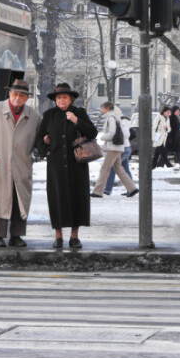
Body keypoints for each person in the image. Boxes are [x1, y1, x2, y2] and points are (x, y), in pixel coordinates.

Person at [0, 79, 40, 248]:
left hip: (22, 165)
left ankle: (16, 236)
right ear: (10, 94)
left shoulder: (33, 116)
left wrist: (40, 148)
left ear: (27, 98)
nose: (18, 98)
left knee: (20, 201)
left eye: (22, 95)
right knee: (1, 199)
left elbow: (40, 140)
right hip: (0, 163)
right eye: (15, 94)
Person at [36, 83, 98, 249]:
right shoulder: (49, 115)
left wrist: (76, 121)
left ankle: (74, 236)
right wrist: (46, 151)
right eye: (58, 97)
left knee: (76, 198)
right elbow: (39, 137)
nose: (61, 100)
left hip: (76, 163)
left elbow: (92, 132)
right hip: (56, 165)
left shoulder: (79, 113)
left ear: (70, 99)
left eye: (64, 97)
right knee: (57, 198)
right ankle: (58, 236)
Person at [91, 101, 138, 198]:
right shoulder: (116, 117)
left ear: (107, 108)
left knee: (105, 169)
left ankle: (98, 191)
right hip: (118, 146)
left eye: (102, 108)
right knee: (119, 168)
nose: (102, 110)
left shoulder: (111, 118)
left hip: (113, 147)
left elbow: (111, 132)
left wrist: (103, 137)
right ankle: (132, 189)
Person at [104, 109, 133, 196]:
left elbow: (126, 134)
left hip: (122, 148)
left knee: (112, 168)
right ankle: (131, 189)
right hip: (125, 148)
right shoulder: (119, 120)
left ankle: (108, 189)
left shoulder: (121, 121)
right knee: (126, 169)